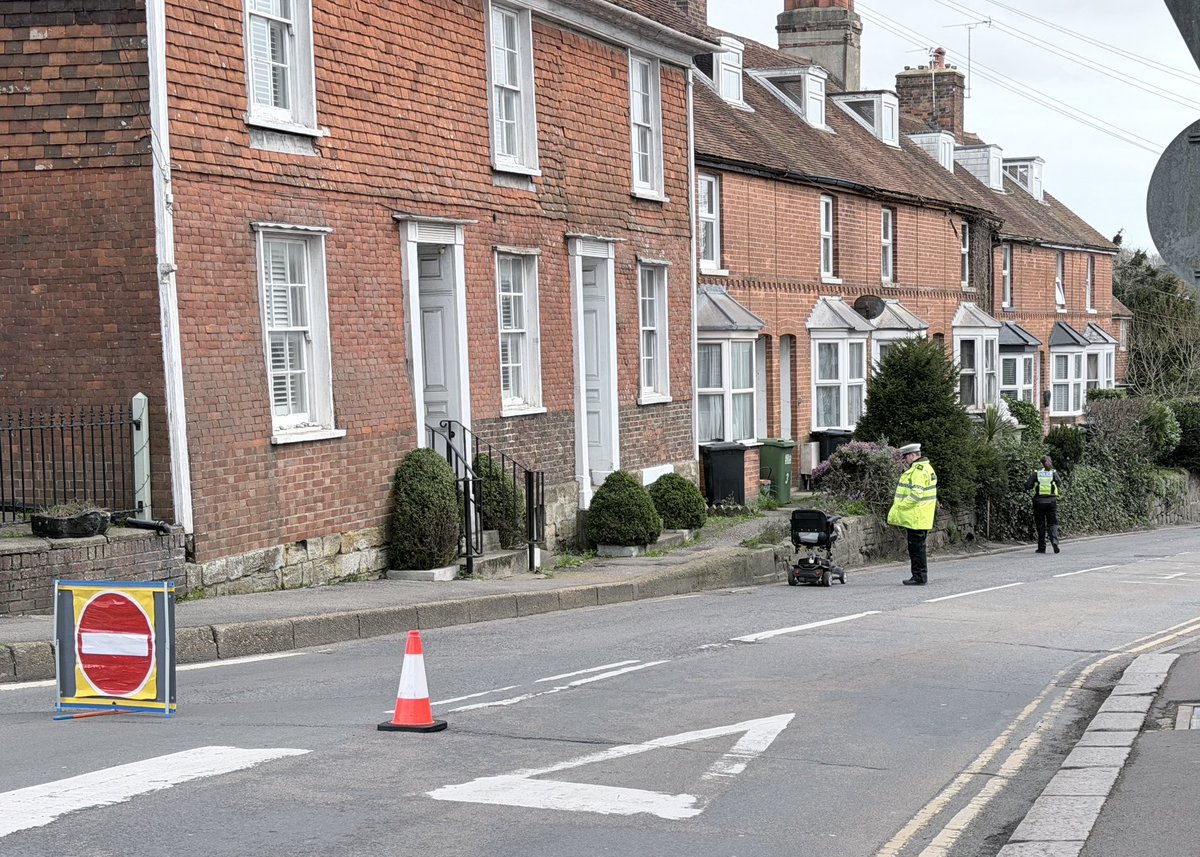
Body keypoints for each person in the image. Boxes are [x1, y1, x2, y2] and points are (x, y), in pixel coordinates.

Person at [887, 442, 937, 585]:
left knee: (916, 549)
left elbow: (916, 495)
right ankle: (919, 576)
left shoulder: (919, 471)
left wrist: (899, 506)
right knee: (918, 547)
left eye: (906, 457)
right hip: (921, 516)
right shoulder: (927, 468)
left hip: (916, 516)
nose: (904, 460)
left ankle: (919, 577)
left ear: (913, 455)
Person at [1025, 454, 1063, 553]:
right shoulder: (1053, 473)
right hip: (1051, 501)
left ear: (1041, 463)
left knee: (1040, 524)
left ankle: (1041, 547)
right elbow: (1059, 483)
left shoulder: (1036, 473)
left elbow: (1028, 486)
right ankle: (1054, 541)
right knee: (1052, 522)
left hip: (1039, 502)